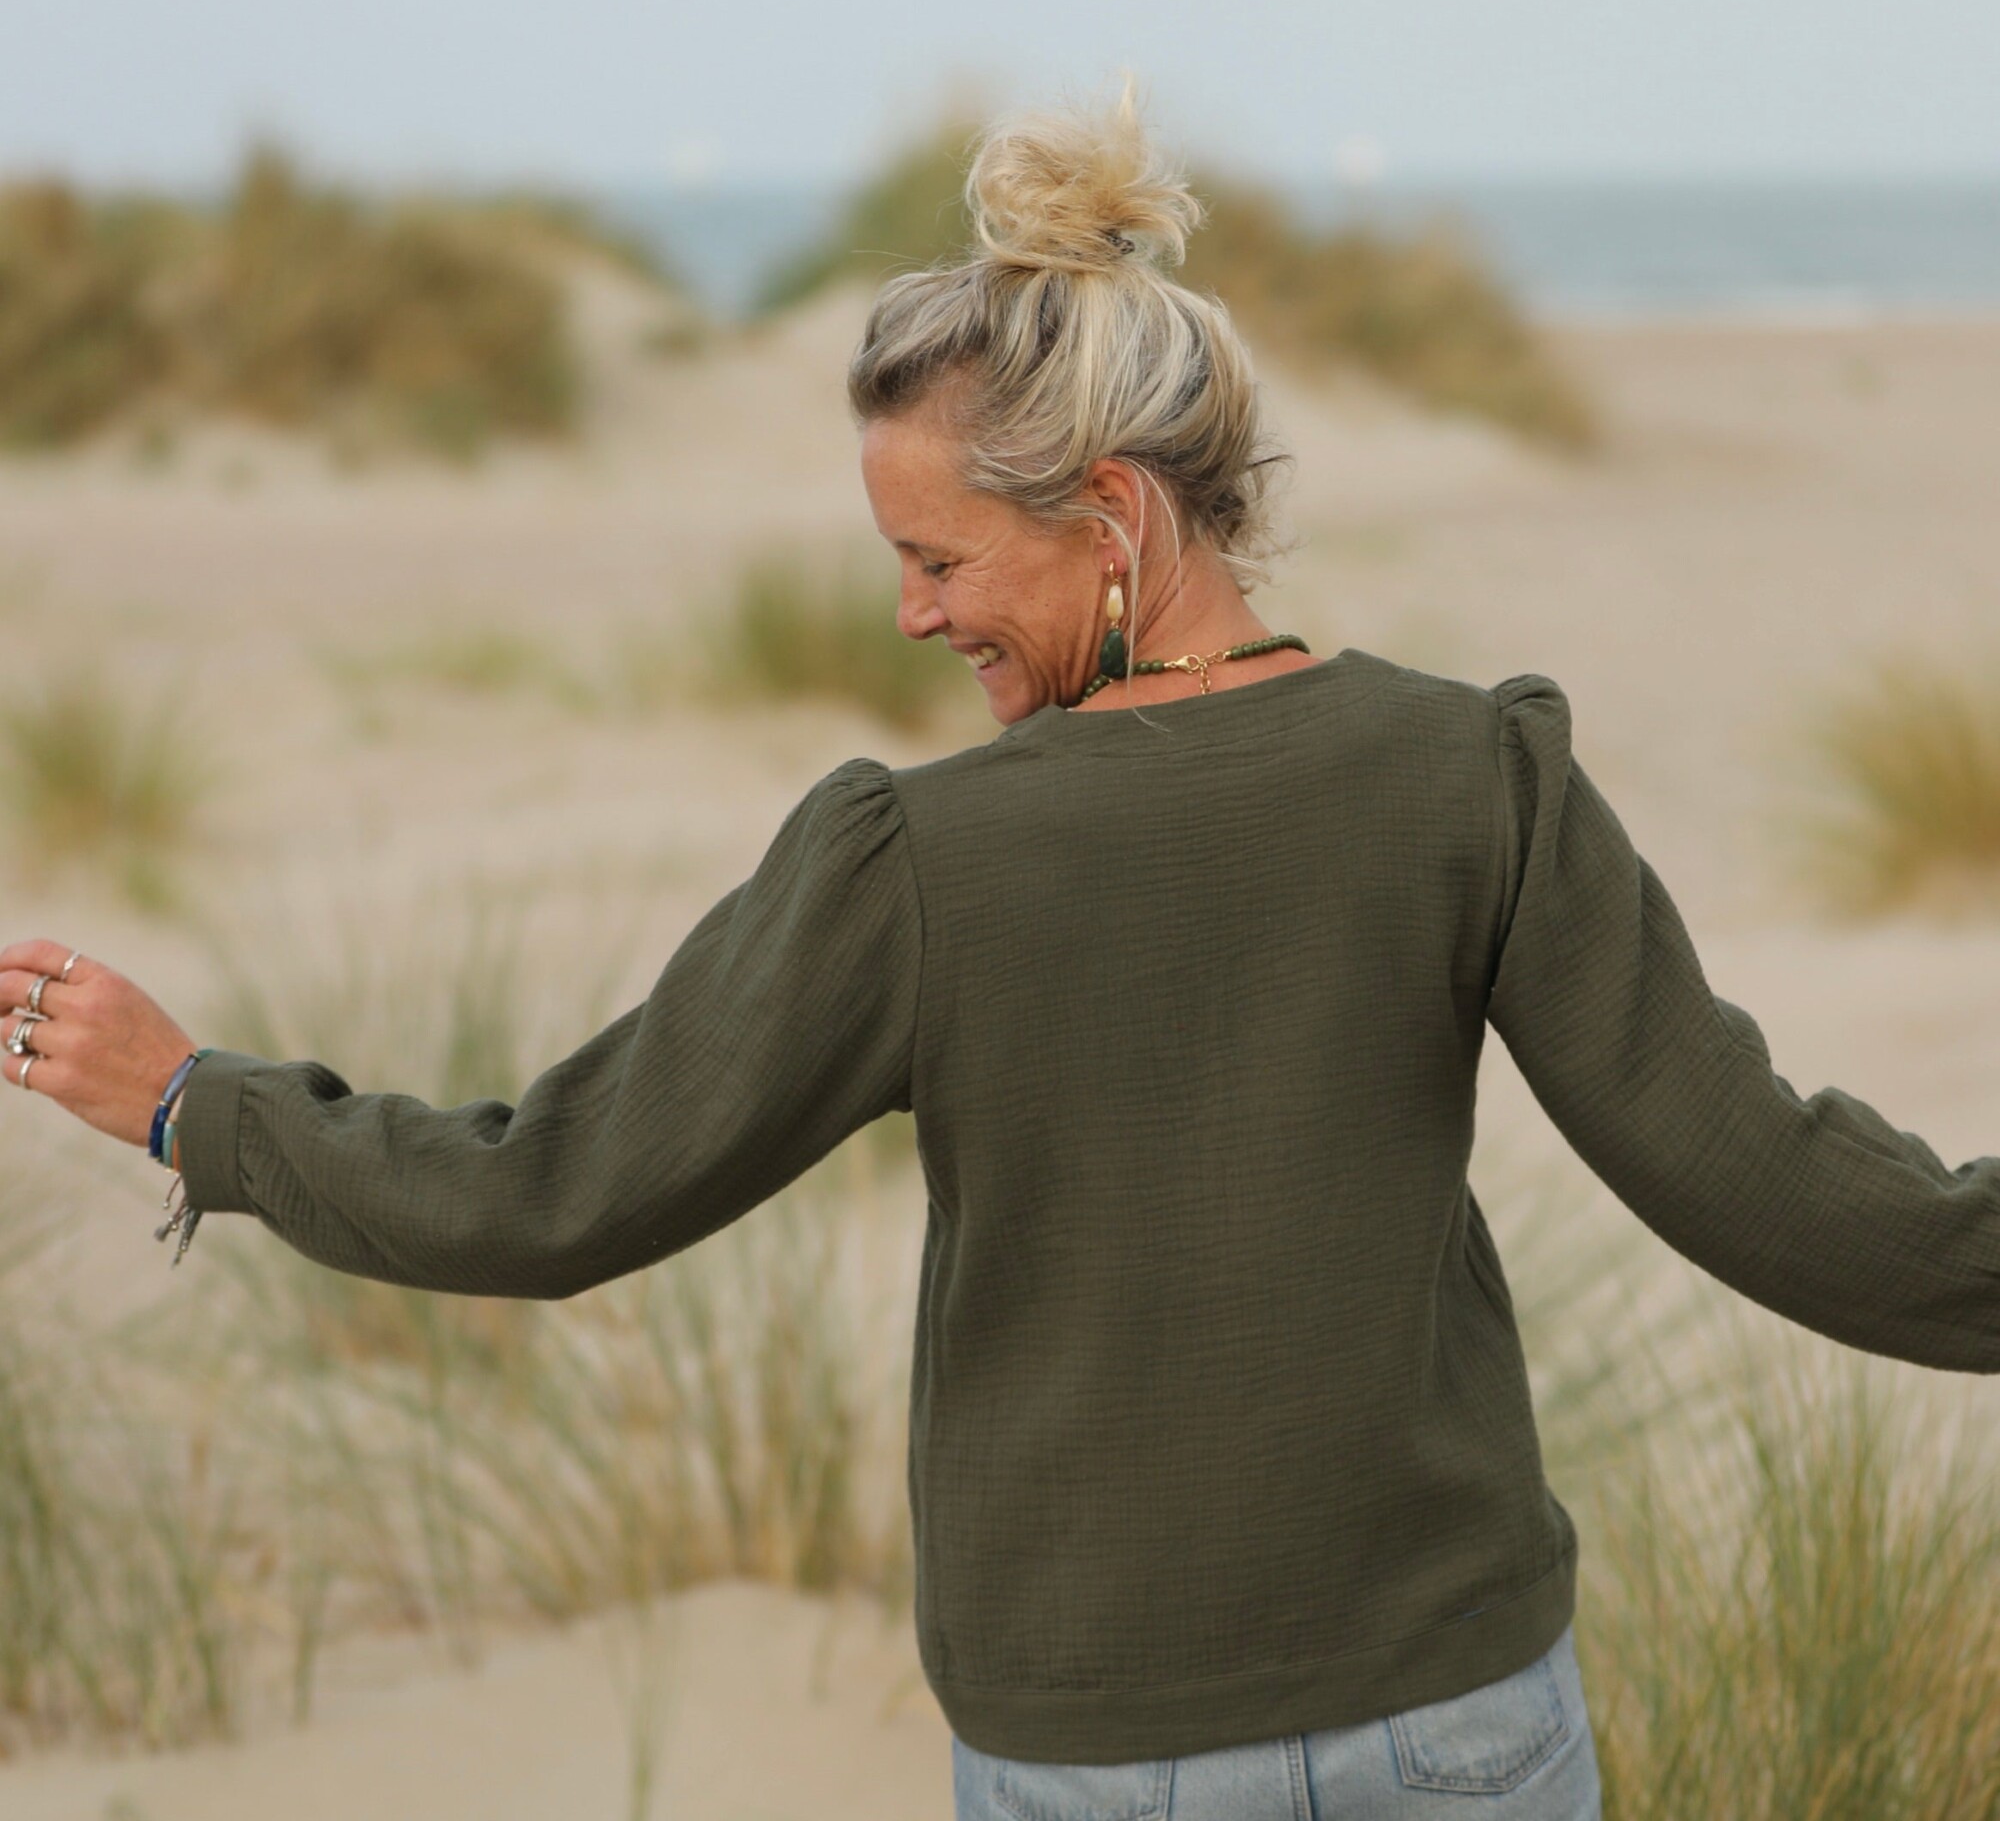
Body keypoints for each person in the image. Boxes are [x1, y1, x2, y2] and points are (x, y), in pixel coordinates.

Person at [6, 87, 1997, 1821]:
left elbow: (555, 1191)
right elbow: (1771, 1182)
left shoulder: (919, 862)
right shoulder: (1473, 771)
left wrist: (199, 1107)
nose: (909, 616)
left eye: (939, 558)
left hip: (1108, 1759)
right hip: (1460, 1727)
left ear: (1112, 516)